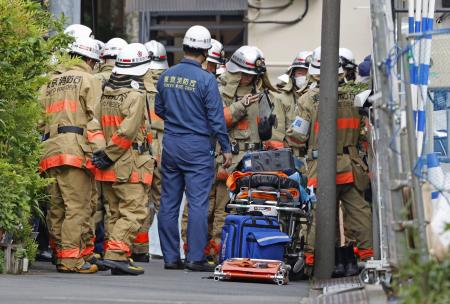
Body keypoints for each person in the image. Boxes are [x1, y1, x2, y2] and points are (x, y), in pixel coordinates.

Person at [288, 47, 373, 277]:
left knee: (319, 215)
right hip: (352, 166)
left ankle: (311, 261)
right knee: (359, 213)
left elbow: (297, 135)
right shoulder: (356, 95)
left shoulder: (308, 99)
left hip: (321, 167)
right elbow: (364, 133)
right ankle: (366, 259)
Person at [156, 25, 232, 271]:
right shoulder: (206, 79)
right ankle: (195, 257)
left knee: (168, 202)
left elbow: (159, 110)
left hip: (171, 143)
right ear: (206, 52)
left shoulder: (166, 75)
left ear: (185, 47)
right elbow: (216, 118)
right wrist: (226, 147)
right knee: (198, 202)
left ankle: (170, 257)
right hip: (198, 146)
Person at [39, 36, 101, 273]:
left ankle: (60, 253)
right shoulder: (88, 79)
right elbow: (94, 120)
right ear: (88, 59)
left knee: (56, 206)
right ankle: (71, 260)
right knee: (78, 207)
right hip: (76, 149)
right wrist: (100, 152)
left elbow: (37, 120)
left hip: (50, 149)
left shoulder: (51, 81)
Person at [93, 43, 154, 275]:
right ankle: (117, 254)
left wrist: (103, 154)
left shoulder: (106, 93)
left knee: (114, 212)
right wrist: (109, 154)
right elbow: (127, 132)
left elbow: (95, 124)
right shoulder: (135, 95)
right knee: (134, 211)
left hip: (108, 165)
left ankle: (116, 256)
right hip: (128, 163)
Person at [130, 40, 169, 262]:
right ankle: (168, 249)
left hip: (143, 147)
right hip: (164, 147)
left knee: (140, 199)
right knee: (165, 200)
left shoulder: (136, 81)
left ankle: (140, 249)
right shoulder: (169, 82)